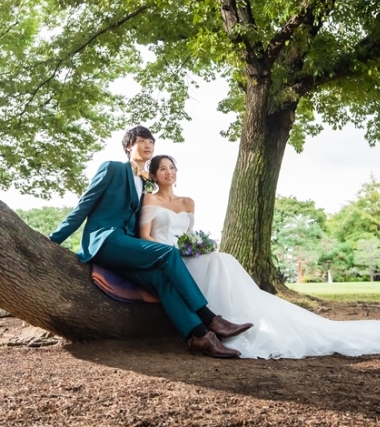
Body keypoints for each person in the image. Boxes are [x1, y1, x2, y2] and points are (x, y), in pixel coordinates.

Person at [139, 154, 380, 360]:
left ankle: (230, 321)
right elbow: (146, 236)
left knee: (223, 259)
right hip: (167, 257)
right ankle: (212, 324)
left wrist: (198, 246)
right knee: (220, 262)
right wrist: (171, 252)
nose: (169, 172)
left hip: (188, 254)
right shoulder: (150, 200)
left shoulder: (188, 202)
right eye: (162, 168)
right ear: (153, 174)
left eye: (172, 168)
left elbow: (190, 235)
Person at [49, 126, 253, 358]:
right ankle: (210, 318)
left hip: (127, 247)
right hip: (105, 241)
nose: (148, 145)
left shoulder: (145, 184)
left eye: (151, 141)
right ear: (128, 146)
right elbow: (83, 206)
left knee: (160, 279)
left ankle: (199, 337)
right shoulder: (112, 168)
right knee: (167, 253)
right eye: (141, 141)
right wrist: (54, 239)